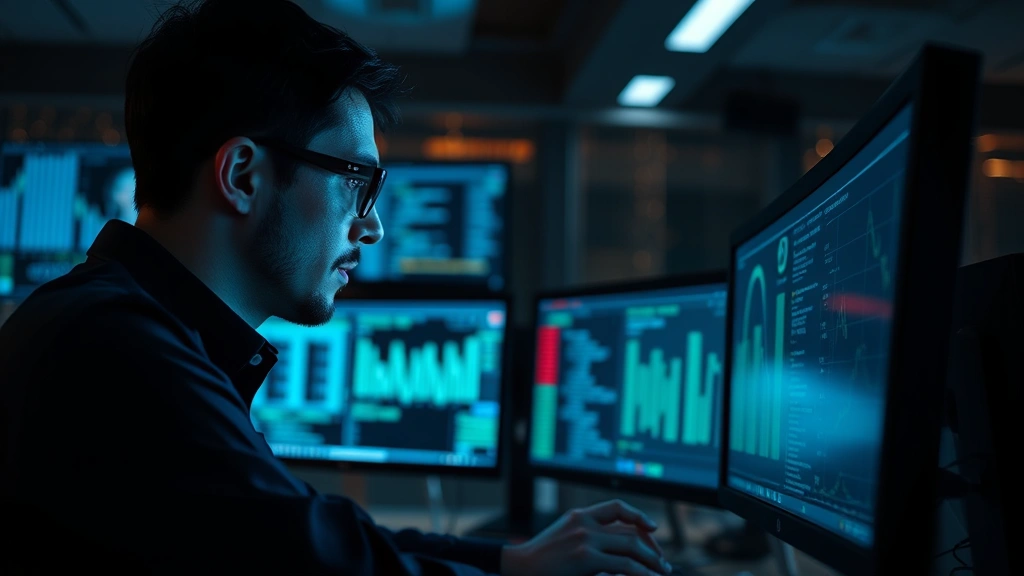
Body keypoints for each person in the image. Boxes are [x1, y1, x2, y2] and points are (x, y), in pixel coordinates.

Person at [0, 1, 672, 575]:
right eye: (357, 181)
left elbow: (298, 529)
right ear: (242, 175)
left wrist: (506, 562)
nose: (373, 227)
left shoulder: (120, 325)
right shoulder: (116, 351)